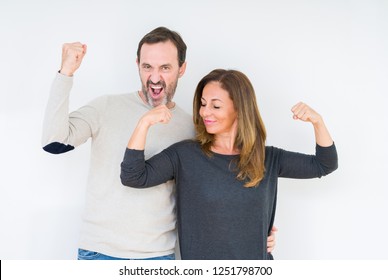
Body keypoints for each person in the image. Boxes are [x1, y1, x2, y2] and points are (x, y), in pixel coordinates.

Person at [42, 27, 277, 260]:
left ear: (181, 69)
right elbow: (54, 142)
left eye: (165, 67)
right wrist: (66, 73)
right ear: (137, 65)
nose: (154, 77)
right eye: (147, 67)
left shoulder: (194, 128)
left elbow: (221, 190)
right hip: (99, 253)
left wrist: (255, 233)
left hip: (158, 257)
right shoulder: (105, 107)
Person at [120, 69, 338, 260]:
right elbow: (133, 176)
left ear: (239, 109)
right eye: (203, 104)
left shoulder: (267, 158)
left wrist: (317, 121)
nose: (205, 112)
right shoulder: (185, 155)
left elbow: (324, 164)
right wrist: (144, 123)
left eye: (216, 106)